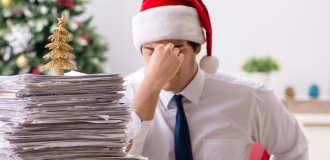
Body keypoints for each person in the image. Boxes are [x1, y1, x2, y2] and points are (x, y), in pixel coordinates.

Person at [123, 0, 308, 159]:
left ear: (197, 48)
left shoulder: (250, 96)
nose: (163, 64)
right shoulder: (121, 96)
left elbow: (295, 151)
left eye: (176, 50)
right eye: (152, 52)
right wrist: (152, 84)